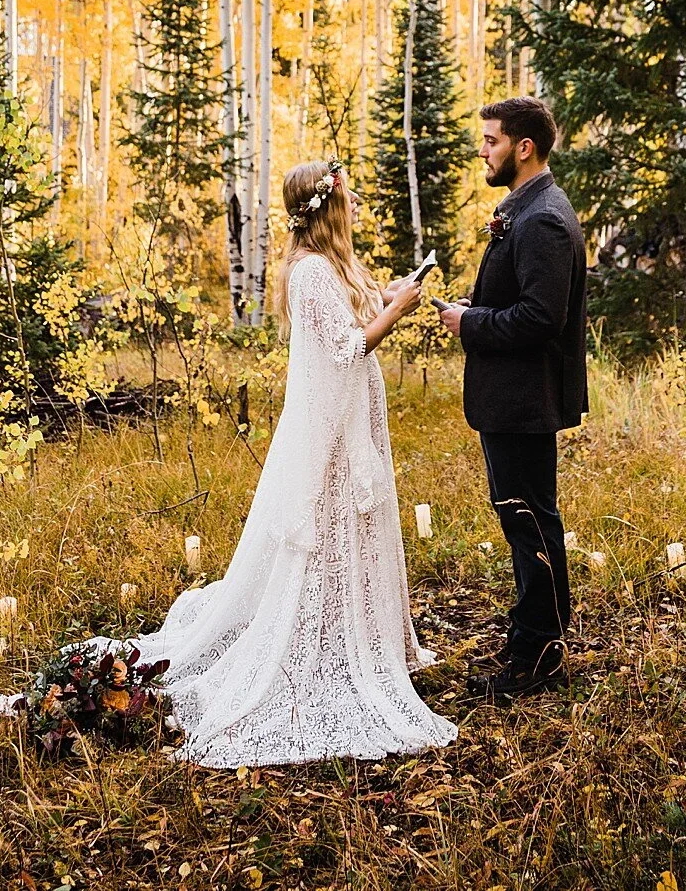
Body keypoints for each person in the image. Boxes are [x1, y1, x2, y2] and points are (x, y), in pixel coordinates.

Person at [133, 160, 458, 767]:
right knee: (326, 528)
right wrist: (396, 313)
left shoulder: (334, 265)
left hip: (350, 419)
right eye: (347, 197)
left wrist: (388, 295)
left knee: (351, 525)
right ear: (326, 206)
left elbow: (353, 319)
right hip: (328, 428)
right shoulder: (308, 272)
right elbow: (346, 346)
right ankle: (324, 639)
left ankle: (361, 632)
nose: (355, 205)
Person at [437, 96, 589, 701]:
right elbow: (523, 302)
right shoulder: (524, 208)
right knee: (523, 517)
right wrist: (475, 309)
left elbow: (542, 318)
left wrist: (469, 323)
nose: (483, 151)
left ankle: (537, 655)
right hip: (511, 399)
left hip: (524, 400)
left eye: (491, 140)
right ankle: (534, 636)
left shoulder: (543, 218)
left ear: (523, 148)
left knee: (530, 521)